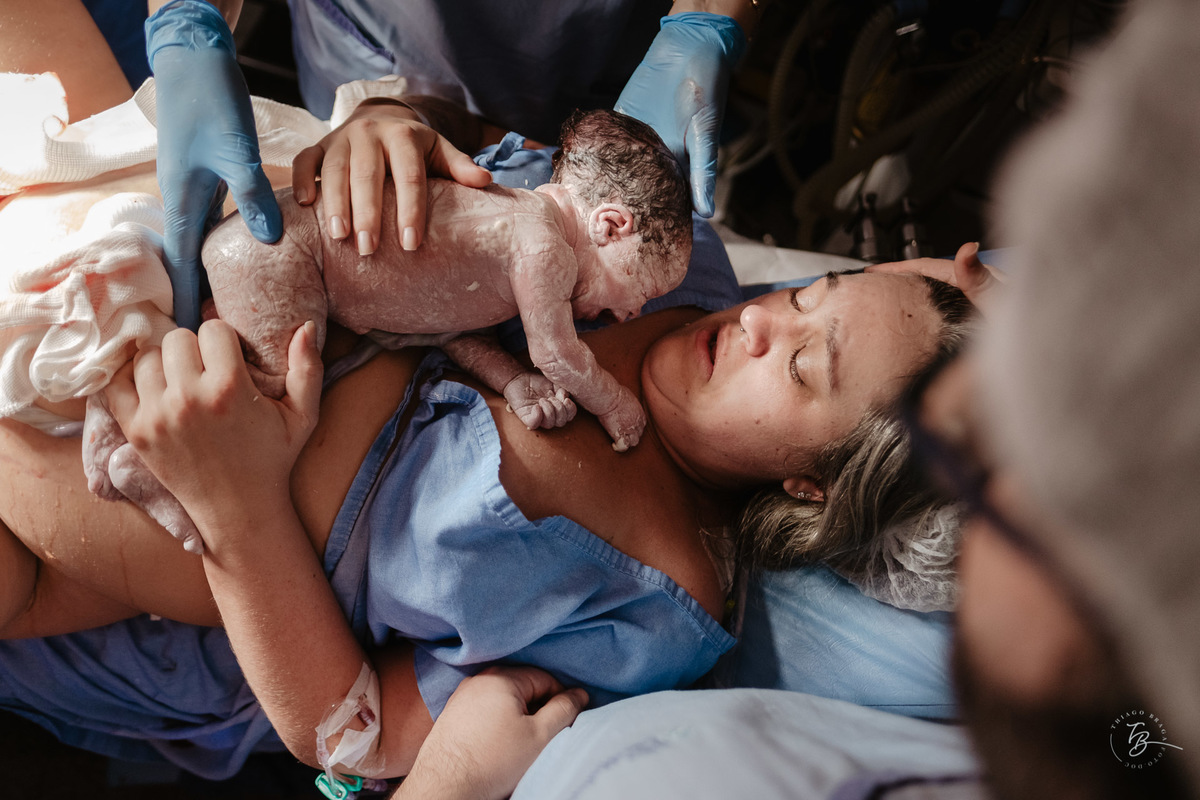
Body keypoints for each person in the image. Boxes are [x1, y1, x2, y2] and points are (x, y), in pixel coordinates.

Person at [418, 1, 1200, 797]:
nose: (760, 318)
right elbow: (916, 305)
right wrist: (395, 116)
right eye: (800, 299)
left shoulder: (654, 609)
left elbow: (370, 726)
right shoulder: (699, 275)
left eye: (799, 369)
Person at [83, 107, 692, 551]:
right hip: (292, 258)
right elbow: (560, 356)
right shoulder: (543, 245)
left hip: (280, 253)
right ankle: (140, 463)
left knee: (218, 342)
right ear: (610, 226)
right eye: (645, 290)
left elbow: (440, 323)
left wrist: (511, 381)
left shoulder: (509, 226)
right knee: (268, 400)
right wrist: (616, 405)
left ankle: (108, 409)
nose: (634, 312)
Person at [131, 0, 757, 331]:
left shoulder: (688, 271)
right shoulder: (523, 192)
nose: (628, 316)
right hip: (388, 46)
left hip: (604, 61)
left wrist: (705, 20)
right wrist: (187, 20)